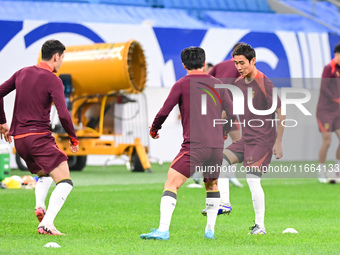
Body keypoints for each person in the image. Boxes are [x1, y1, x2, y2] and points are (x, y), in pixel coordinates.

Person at [140, 46, 233, 240]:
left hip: (195, 146)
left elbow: (165, 110)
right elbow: (232, 115)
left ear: (183, 64)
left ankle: (163, 229)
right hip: (216, 147)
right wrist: (223, 133)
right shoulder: (219, 85)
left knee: (171, 183)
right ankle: (210, 231)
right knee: (212, 185)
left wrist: (155, 128)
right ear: (204, 63)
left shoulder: (182, 84)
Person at [0, 39, 79, 235]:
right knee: (65, 180)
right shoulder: (53, 80)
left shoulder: (22, 73)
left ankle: (40, 207)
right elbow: (63, 114)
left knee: (44, 174)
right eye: (62, 58)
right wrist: (73, 137)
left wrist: (2, 121)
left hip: (20, 141)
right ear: (56, 56)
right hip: (39, 138)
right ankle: (47, 224)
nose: (61, 63)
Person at [206, 43, 285, 234]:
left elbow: (281, 112)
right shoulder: (239, 84)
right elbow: (230, 110)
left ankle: (260, 226)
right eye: (236, 63)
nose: (239, 67)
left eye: (242, 63)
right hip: (247, 138)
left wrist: (278, 142)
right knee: (220, 162)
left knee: (252, 179)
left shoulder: (265, 84)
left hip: (263, 140)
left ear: (253, 61)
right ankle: (224, 203)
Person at [316, 44, 340, 183]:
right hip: (325, 110)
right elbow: (324, 88)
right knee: (327, 141)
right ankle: (321, 172)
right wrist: (337, 99)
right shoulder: (328, 68)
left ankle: (337, 170)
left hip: (337, 111)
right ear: (336, 55)